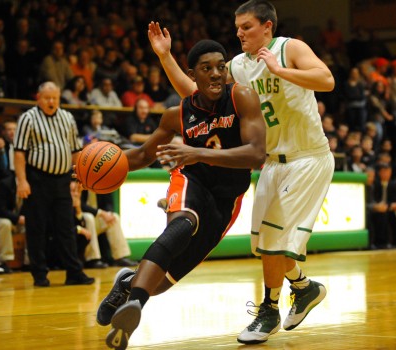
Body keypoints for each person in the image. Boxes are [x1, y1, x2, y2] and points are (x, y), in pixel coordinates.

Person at [147, 0, 335, 344]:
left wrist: (280, 71)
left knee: (275, 243)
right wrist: (165, 57)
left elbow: (326, 80)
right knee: (263, 245)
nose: (239, 33)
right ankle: (305, 289)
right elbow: (196, 94)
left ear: (267, 26)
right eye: (237, 28)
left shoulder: (289, 48)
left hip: (307, 157)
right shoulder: (237, 66)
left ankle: (269, 311)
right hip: (270, 162)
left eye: (246, 27)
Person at [91, 39, 266, 350]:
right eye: (206, 68)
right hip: (190, 180)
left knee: (158, 284)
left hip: (227, 200)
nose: (216, 74)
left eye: (220, 67)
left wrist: (199, 153)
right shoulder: (177, 115)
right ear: (192, 75)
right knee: (183, 224)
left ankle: (128, 284)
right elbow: (144, 154)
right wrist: (96, 163)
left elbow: (256, 154)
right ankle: (135, 308)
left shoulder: (241, 96)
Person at [14, 81, 95, 287]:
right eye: (47, 98)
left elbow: (76, 151)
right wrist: (22, 181)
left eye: (55, 98)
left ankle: (73, 272)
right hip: (37, 179)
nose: (51, 102)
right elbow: (19, 153)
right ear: (38, 98)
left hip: (62, 179)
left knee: (66, 227)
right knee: (37, 228)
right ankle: (40, 274)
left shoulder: (67, 117)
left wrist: (78, 178)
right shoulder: (28, 118)